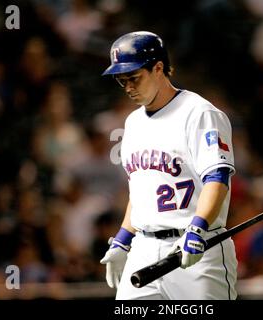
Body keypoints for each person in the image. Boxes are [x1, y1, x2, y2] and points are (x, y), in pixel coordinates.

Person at [99, 31, 238, 300]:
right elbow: (140, 190)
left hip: (197, 247)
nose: (128, 87)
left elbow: (217, 179)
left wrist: (197, 227)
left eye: (133, 78)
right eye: (121, 81)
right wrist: (123, 238)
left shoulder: (199, 113)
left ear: (159, 68)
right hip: (145, 249)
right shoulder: (133, 122)